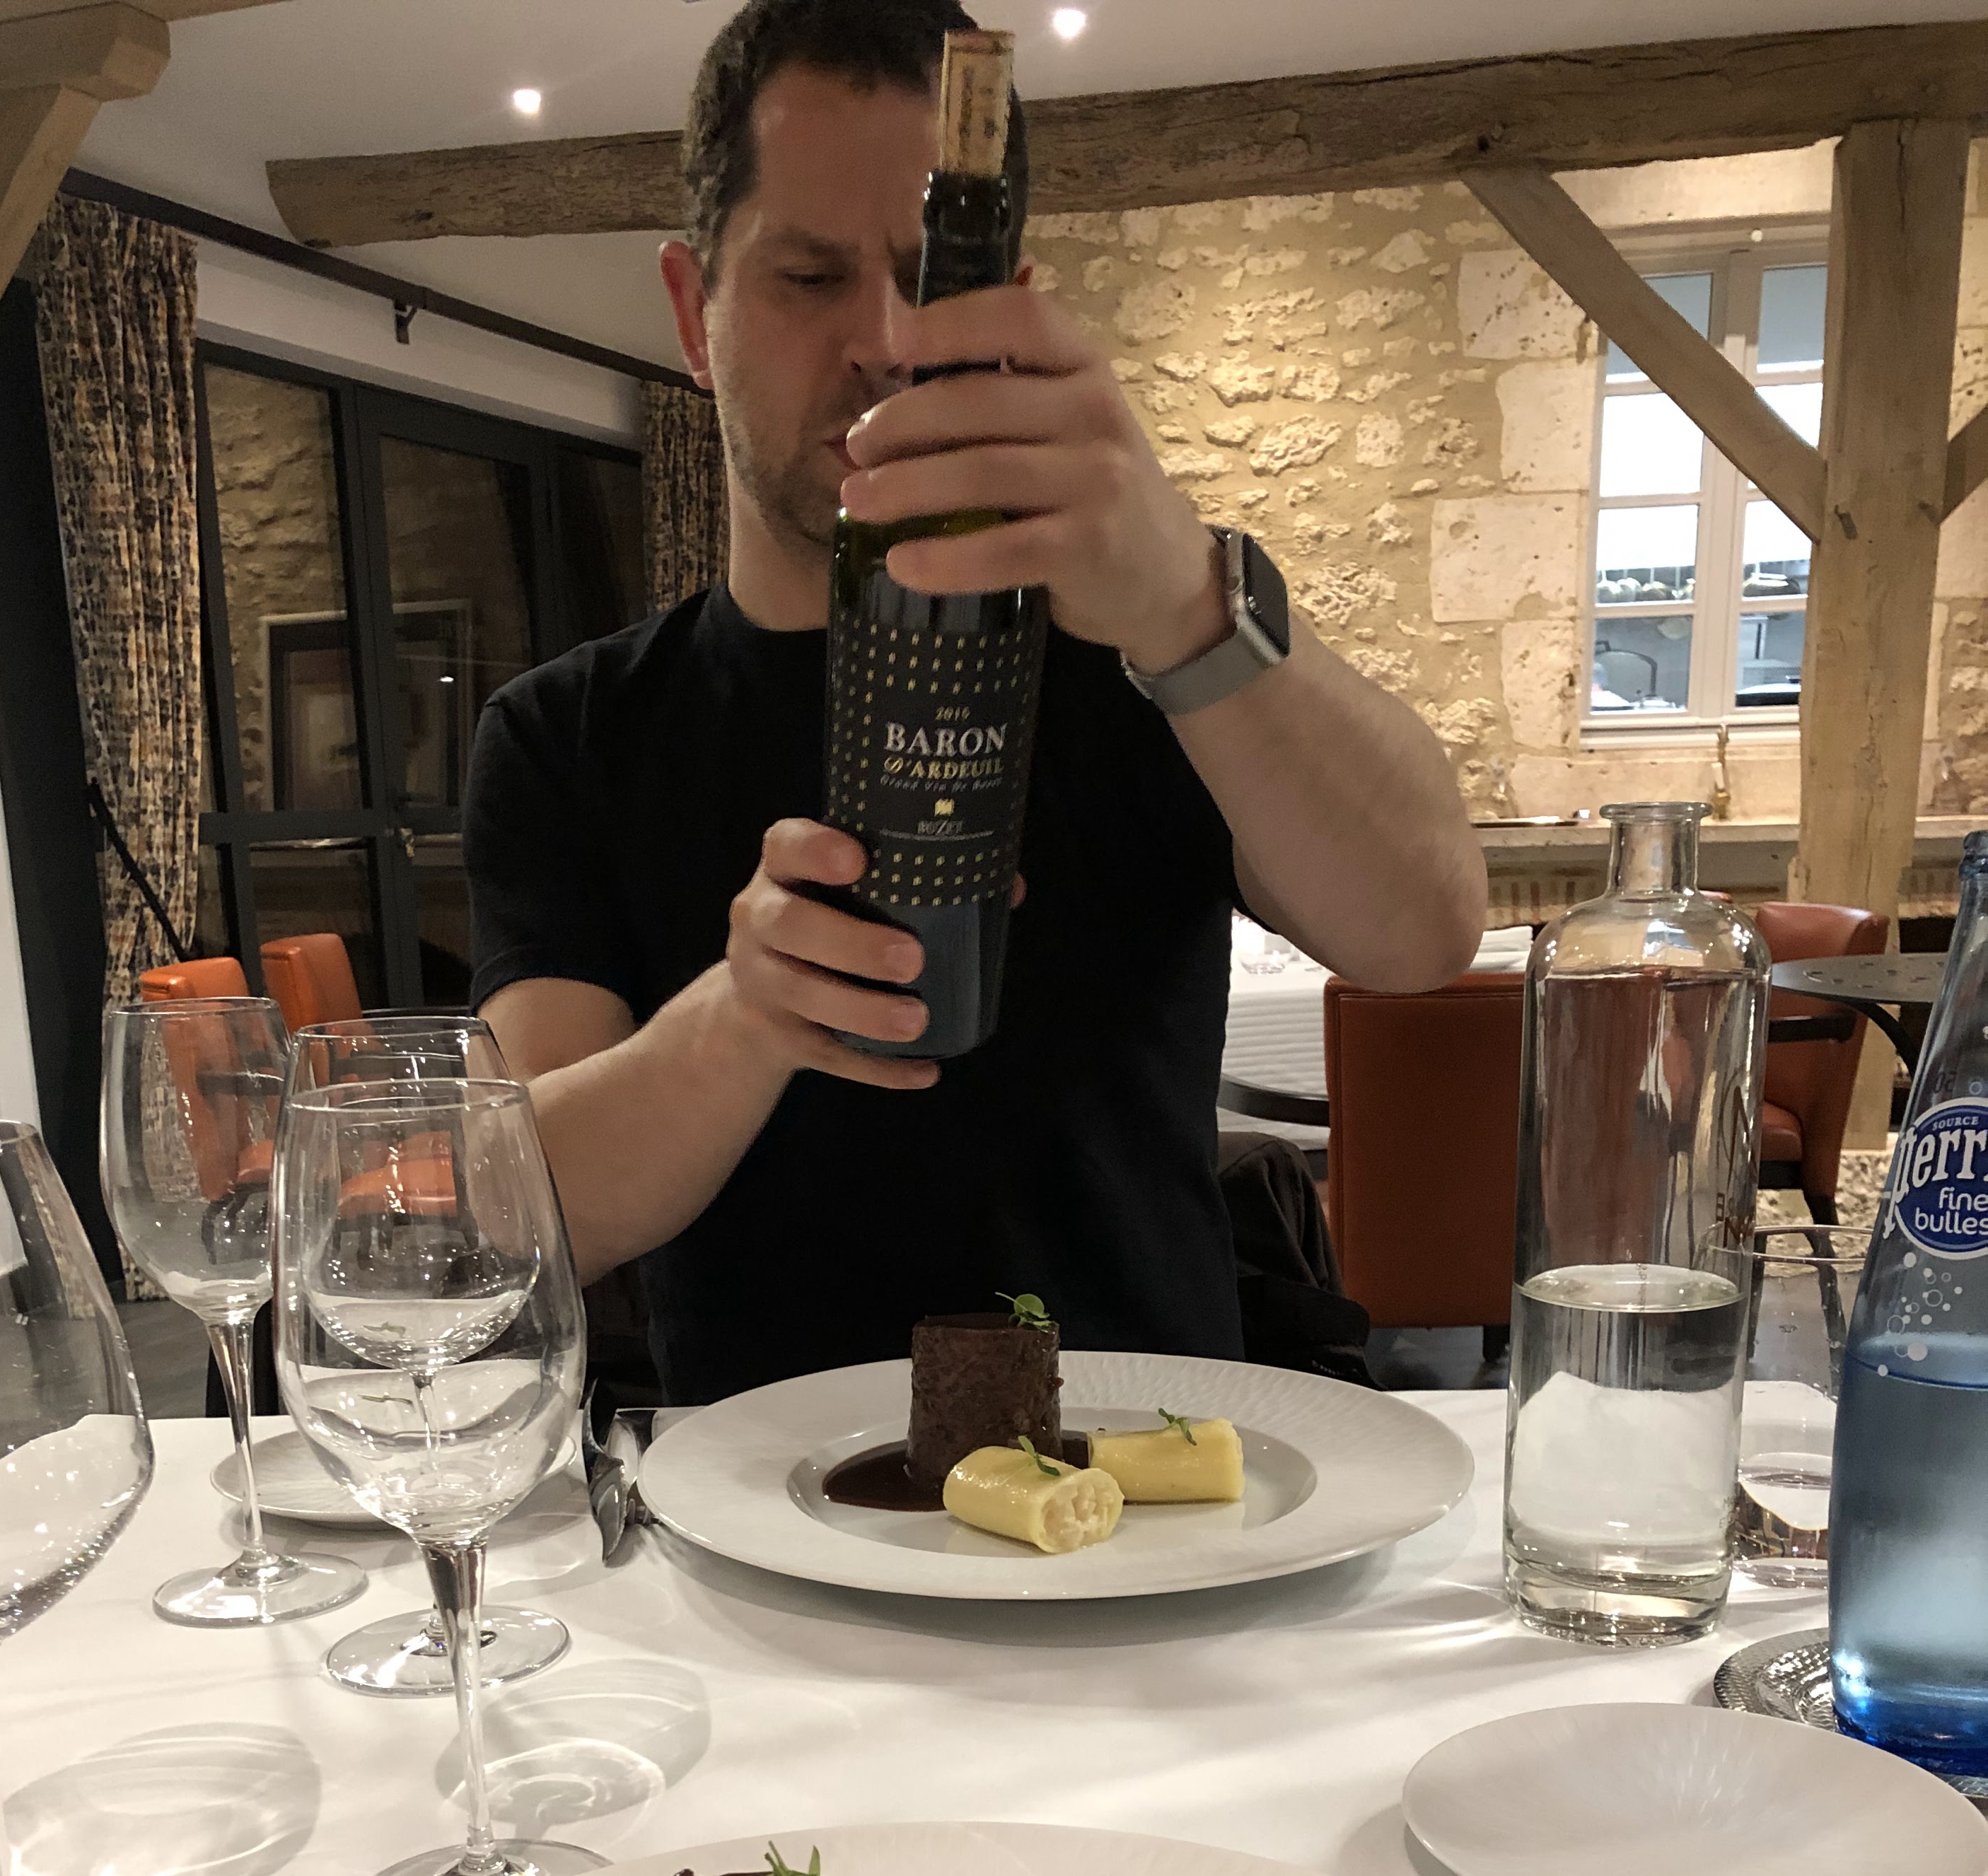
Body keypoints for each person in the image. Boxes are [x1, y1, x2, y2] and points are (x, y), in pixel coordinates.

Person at [468, 0, 1485, 1406]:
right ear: (696, 316)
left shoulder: (1156, 658)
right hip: (756, 1507)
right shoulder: (569, 735)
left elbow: (1423, 933)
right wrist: (747, 1014)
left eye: (931, 284)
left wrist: (1191, 604)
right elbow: (538, 1216)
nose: (886, 342)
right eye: (809, 277)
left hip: (1152, 1491)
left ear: (1013, 307)